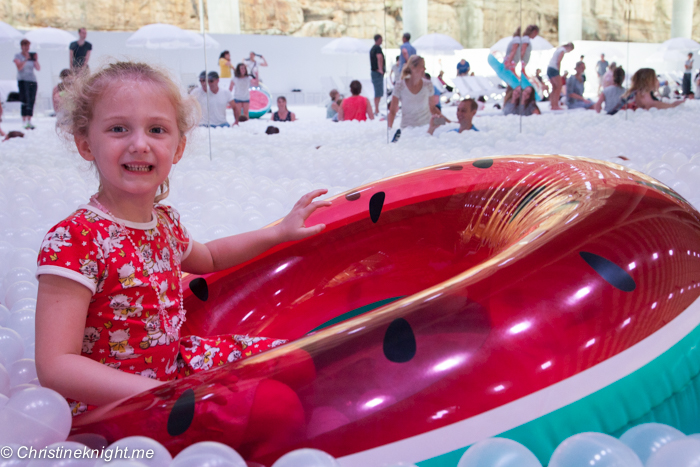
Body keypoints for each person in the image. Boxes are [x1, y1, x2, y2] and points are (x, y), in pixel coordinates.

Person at [35, 61, 330, 439]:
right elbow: (56, 365)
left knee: (298, 360)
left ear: (178, 148)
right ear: (85, 144)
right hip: (116, 401)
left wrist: (279, 233)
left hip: (174, 367)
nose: (139, 143)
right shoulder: (75, 238)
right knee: (278, 409)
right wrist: (161, 394)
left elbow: (210, 257)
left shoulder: (165, 222)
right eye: (118, 128)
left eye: (157, 129)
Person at [388, 55, 433, 129]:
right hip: (407, 129)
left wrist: (447, 122)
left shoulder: (428, 85)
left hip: (426, 128)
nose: (425, 68)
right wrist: (389, 129)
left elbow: (433, 109)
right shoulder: (400, 86)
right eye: (422, 66)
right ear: (413, 68)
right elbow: (392, 111)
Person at [619, 68, 685, 111]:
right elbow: (651, 105)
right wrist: (672, 106)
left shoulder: (634, 92)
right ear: (649, 81)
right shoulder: (642, 94)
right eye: (655, 78)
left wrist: (673, 104)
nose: (657, 80)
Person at [14, 38, 40, 130]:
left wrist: (35, 60)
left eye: (28, 46)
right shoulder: (18, 56)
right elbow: (19, 67)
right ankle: (24, 120)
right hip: (22, 80)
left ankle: (29, 120)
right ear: (22, 46)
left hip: (32, 80)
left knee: (32, 99)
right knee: (25, 99)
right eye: (25, 46)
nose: (27, 48)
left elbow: (38, 68)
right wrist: (26, 59)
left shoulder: (32, 56)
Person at [547, 42, 574, 110]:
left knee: (554, 87)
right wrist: (558, 72)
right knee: (559, 87)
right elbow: (558, 61)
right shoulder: (562, 50)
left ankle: (553, 104)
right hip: (554, 69)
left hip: (550, 68)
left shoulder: (559, 49)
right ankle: (555, 105)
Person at [369, 34, 385, 116]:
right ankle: (377, 109)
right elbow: (379, 57)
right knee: (378, 91)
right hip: (377, 72)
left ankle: (376, 108)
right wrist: (380, 69)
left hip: (374, 72)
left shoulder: (372, 48)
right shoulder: (377, 48)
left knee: (377, 91)